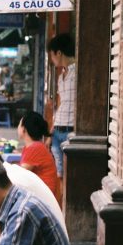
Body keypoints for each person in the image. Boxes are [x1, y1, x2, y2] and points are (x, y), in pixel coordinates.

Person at [48, 33, 76, 180]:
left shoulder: (79, 73)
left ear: (59, 52)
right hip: (58, 130)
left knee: (70, 174)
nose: (52, 60)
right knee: (60, 174)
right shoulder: (61, 76)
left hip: (71, 131)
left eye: (52, 55)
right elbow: (61, 103)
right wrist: (51, 131)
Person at [18, 112, 60, 201]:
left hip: (45, 201)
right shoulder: (33, 146)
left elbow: (19, 175)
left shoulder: (35, 148)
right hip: (41, 197)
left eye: (19, 124)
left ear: (24, 129)